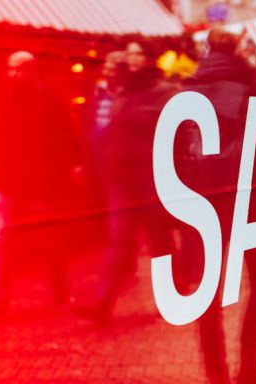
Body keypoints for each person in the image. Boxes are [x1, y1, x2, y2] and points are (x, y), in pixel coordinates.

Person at [176, 28, 256, 384]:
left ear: (206, 52)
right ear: (240, 51)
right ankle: (250, 369)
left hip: (200, 206)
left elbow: (173, 159)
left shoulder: (186, 94)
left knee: (208, 299)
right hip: (251, 203)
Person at [72, 42, 178, 324]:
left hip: (153, 178)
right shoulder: (121, 90)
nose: (132, 58)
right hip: (121, 179)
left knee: (161, 242)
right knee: (118, 240)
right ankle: (101, 304)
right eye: (129, 53)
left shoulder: (166, 92)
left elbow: (177, 135)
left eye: (138, 53)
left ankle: (172, 300)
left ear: (149, 59)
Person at [0, 51, 80, 315]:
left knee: (49, 242)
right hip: (11, 185)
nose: (13, 74)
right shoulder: (2, 102)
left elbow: (66, 142)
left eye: (18, 69)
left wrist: (54, 175)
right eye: (10, 69)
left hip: (40, 186)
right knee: (5, 244)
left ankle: (59, 292)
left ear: (31, 70)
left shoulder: (50, 103)